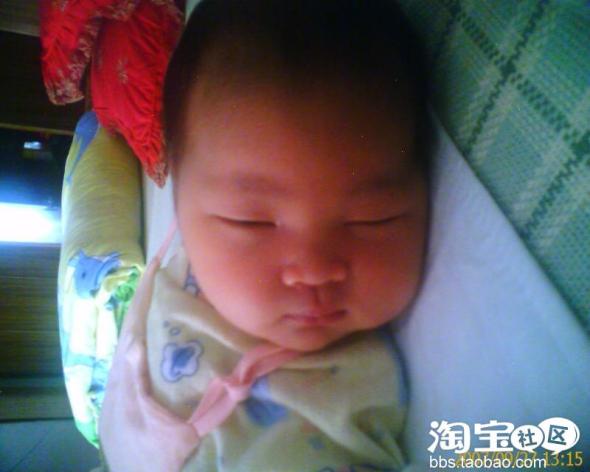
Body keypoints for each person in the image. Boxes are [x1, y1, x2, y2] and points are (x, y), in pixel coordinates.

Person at [99, 0, 432, 470]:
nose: (314, 270)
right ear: (179, 200)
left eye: (372, 219)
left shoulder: (318, 418)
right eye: (249, 222)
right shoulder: (188, 241)